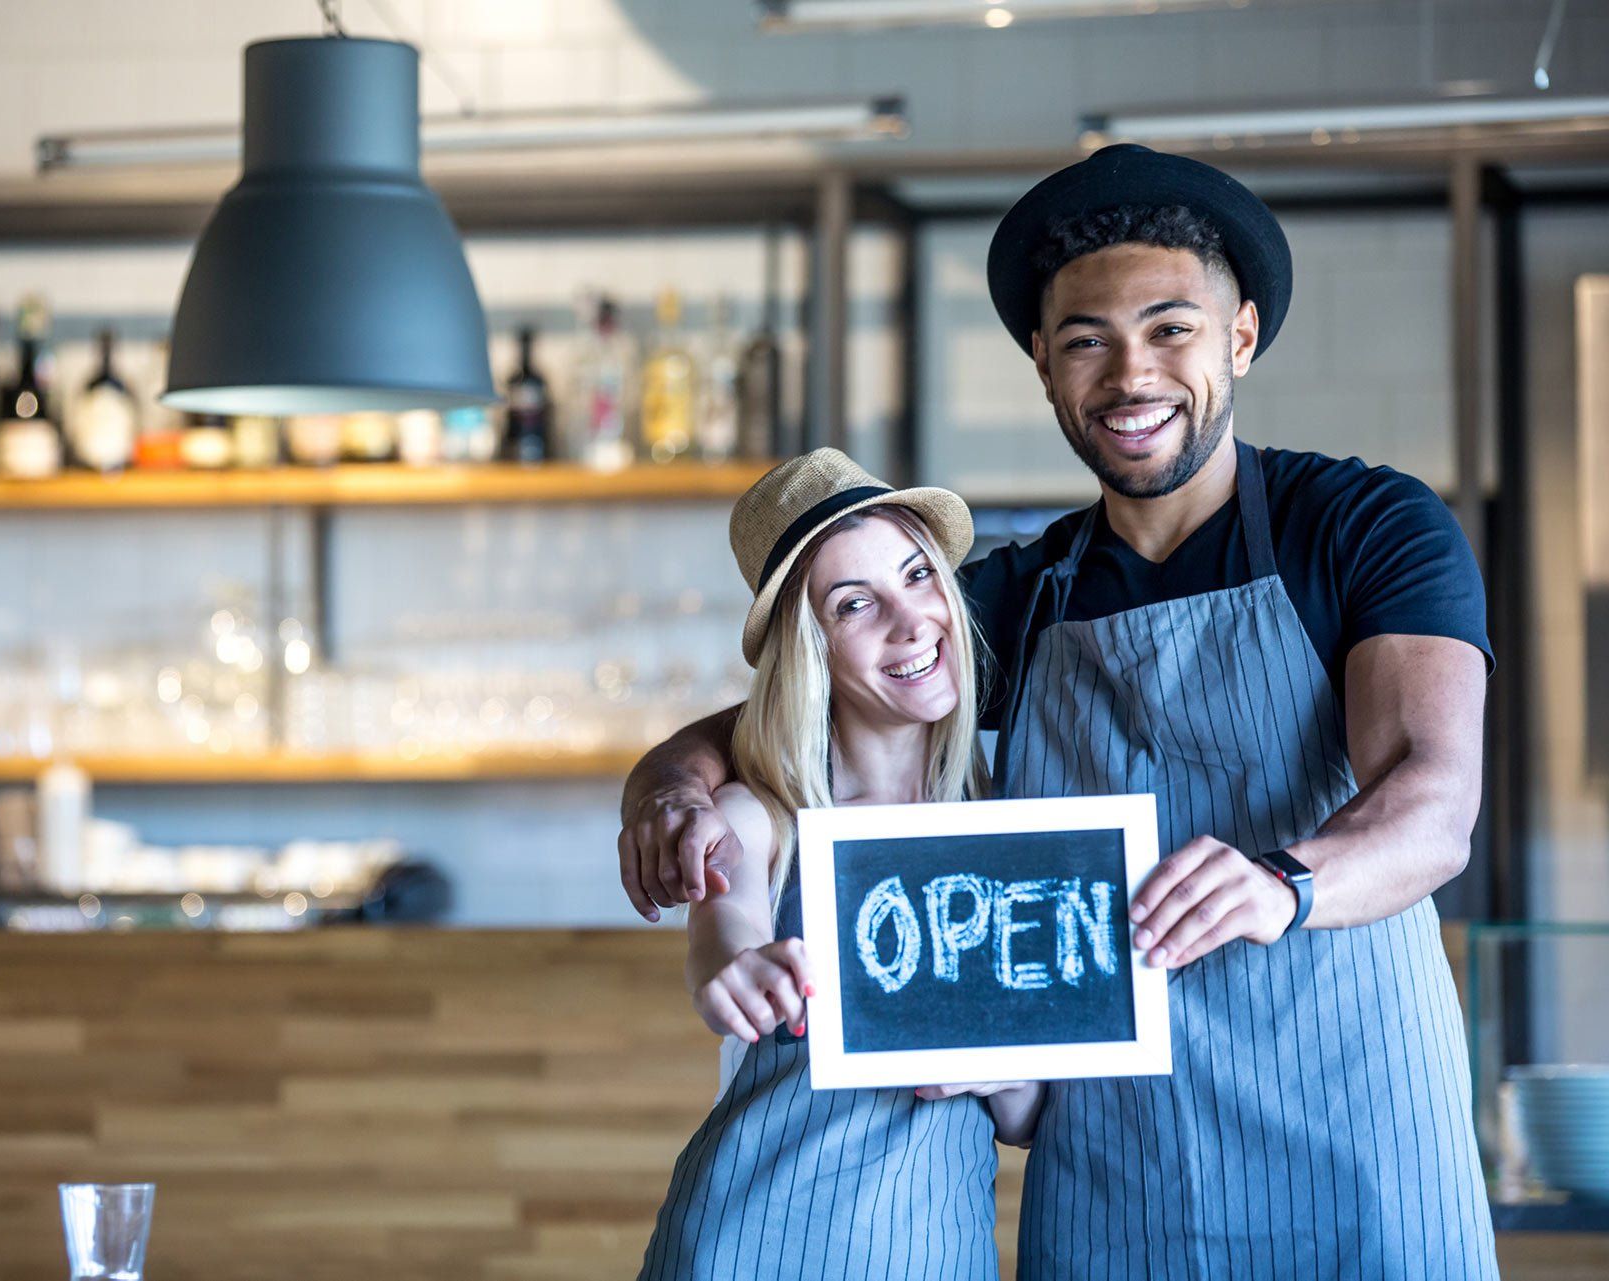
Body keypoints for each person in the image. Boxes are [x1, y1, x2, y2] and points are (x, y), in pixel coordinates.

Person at [620, 144, 1498, 1279]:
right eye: (1086, 339)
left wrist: (1284, 881)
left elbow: (1433, 806)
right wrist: (670, 797)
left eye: (1172, 328)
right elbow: (790, 701)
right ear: (1044, 365)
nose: (1131, 374)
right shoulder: (1020, 596)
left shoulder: (1364, 526)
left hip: (1355, 1148)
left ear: (1239, 337)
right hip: (1112, 1182)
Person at [637, 449, 1041, 1281]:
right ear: (810, 647)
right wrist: (733, 966)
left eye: (918, 576)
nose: (910, 620)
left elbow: (1027, 1116)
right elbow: (726, 930)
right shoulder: (765, 818)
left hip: (934, 1248)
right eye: (855, 604)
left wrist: (1003, 1062)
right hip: (750, 1245)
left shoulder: (1007, 830)